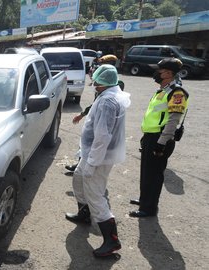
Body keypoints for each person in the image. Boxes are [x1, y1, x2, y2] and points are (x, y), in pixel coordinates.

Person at [65, 64, 131, 257]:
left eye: (95, 79)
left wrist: (92, 163)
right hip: (92, 154)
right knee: (78, 178)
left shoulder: (107, 101)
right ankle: (84, 214)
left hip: (99, 157)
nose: (93, 82)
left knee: (96, 195)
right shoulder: (108, 95)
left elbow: (102, 136)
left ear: (101, 80)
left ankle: (111, 241)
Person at [129, 58, 189, 218]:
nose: (156, 73)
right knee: (146, 172)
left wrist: (161, 143)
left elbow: (173, 120)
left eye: (160, 71)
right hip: (151, 136)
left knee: (154, 175)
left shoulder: (177, 93)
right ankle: (144, 200)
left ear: (169, 73)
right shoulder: (163, 90)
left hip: (161, 139)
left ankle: (149, 208)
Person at [65, 54, 123, 172]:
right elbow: (95, 103)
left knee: (95, 144)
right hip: (97, 118)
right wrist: (83, 115)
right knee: (88, 143)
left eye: (103, 66)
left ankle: (89, 166)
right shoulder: (104, 85)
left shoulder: (111, 89)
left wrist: (93, 162)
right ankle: (83, 165)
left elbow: (103, 135)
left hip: (102, 132)